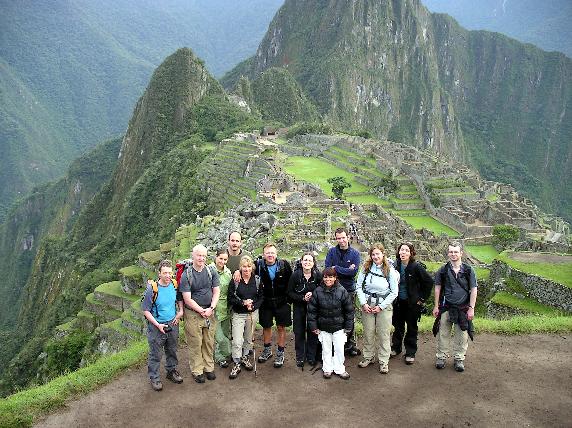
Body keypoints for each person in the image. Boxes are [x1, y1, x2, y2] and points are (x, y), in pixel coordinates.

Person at [432, 242, 478, 372]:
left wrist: (471, 308)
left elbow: (473, 290)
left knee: (462, 334)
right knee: (443, 332)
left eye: (456, 252)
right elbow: (437, 288)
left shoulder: (469, 270)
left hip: (463, 307)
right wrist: (436, 306)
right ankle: (441, 357)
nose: (453, 254)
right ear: (448, 253)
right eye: (451, 252)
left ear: (461, 253)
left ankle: (459, 358)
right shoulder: (443, 270)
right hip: (446, 306)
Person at [355, 244, 399, 374]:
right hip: (367, 304)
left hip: (383, 305)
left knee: (383, 334)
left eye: (378, 254)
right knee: (368, 332)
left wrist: (381, 306)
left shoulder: (389, 270)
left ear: (383, 254)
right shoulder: (366, 268)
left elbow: (394, 292)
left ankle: (383, 361)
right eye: (373, 254)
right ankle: (368, 357)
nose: (375, 257)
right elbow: (359, 286)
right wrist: (363, 303)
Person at [179, 244, 220, 383]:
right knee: (195, 342)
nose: (201, 258)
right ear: (193, 256)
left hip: (209, 311)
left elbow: (216, 291)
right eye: (199, 255)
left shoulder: (211, 271)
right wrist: (201, 310)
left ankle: (209, 367)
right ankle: (197, 370)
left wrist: (211, 307)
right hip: (193, 314)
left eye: (203, 255)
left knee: (208, 341)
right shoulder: (187, 275)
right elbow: (187, 298)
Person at [141, 260, 184, 391]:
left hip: (172, 322)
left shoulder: (174, 284)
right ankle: (154, 377)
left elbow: (178, 299)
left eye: (170, 273)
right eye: (165, 273)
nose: (168, 276)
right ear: (159, 274)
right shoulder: (152, 289)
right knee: (156, 353)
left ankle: (171, 371)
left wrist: (180, 312)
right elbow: (146, 310)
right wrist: (157, 324)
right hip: (156, 326)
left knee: (172, 349)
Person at [391, 242, 434, 365]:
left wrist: (422, 299)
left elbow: (429, 282)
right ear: (398, 252)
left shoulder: (416, 267)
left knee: (411, 327)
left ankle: (410, 352)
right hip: (398, 302)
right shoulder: (395, 265)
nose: (403, 252)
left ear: (411, 253)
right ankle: (396, 348)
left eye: (406, 250)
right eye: (401, 250)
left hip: (412, 303)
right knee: (398, 327)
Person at [307, 267, 354, 380]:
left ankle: (339, 369)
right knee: (326, 349)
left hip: (339, 327)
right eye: (326, 277)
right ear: (323, 278)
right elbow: (312, 311)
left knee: (339, 349)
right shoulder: (317, 291)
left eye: (331, 277)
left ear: (335, 278)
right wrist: (314, 327)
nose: (328, 279)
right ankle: (327, 369)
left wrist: (348, 327)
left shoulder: (342, 291)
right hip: (323, 327)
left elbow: (349, 310)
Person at [325, 227, 361, 356]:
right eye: (338, 238)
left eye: (343, 237)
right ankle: (336, 345)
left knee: (349, 317)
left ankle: (349, 344)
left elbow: (353, 272)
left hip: (349, 290)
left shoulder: (355, 254)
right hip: (333, 290)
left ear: (348, 237)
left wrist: (337, 268)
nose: (341, 241)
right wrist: (345, 270)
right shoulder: (331, 252)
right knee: (334, 317)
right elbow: (328, 270)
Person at [255, 242, 292, 368]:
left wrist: (289, 300)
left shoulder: (284, 265)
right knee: (266, 326)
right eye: (267, 253)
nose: (270, 255)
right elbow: (246, 268)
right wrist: (238, 272)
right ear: (263, 254)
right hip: (265, 301)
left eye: (272, 253)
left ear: (276, 254)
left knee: (281, 327)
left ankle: (280, 352)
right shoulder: (258, 265)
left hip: (282, 301)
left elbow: (291, 281)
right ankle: (267, 350)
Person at [227, 256, 264, 379]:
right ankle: (236, 362)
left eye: (249, 266)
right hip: (238, 314)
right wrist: (243, 303)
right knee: (237, 340)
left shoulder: (257, 280)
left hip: (252, 314)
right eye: (244, 266)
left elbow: (261, 297)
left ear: (252, 267)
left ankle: (245, 357)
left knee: (248, 339)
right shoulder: (236, 280)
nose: (246, 269)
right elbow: (231, 298)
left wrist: (253, 306)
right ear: (240, 267)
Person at [287, 252, 323, 367]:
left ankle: (311, 356)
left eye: (310, 260)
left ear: (313, 263)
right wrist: (302, 298)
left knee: (313, 330)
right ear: (301, 262)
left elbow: (322, 290)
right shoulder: (295, 275)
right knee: (299, 331)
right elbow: (289, 293)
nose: (307, 262)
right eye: (305, 260)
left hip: (314, 308)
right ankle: (300, 357)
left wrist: (313, 295)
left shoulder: (318, 275)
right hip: (299, 306)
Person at [209, 249, 232, 368]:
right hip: (214, 309)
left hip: (226, 308)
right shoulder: (208, 271)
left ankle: (221, 357)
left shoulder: (228, 273)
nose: (222, 261)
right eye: (220, 258)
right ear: (216, 257)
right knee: (219, 337)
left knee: (226, 333)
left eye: (225, 259)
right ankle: (228, 351)